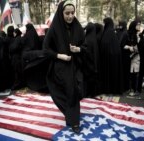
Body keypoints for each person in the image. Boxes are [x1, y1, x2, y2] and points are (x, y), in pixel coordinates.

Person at [43, 0, 85, 134]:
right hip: (60, 67)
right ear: (61, 13)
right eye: (67, 13)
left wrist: (78, 49)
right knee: (63, 93)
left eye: (73, 13)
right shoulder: (54, 28)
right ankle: (71, 115)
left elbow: (87, 46)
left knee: (74, 92)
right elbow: (45, 49)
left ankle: (74, 121)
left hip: (76, 65)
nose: (70, 16)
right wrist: (60, 56)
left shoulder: (77, 27)